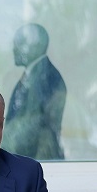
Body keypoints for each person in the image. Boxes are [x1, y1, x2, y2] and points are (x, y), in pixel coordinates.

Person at [4, 23, 67, 160]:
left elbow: (35, 123)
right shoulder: (33, 75)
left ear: (36, 47)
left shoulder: (47, 78)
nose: (14, 49)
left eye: (20, 43)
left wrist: (3, 144)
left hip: (37, 160)